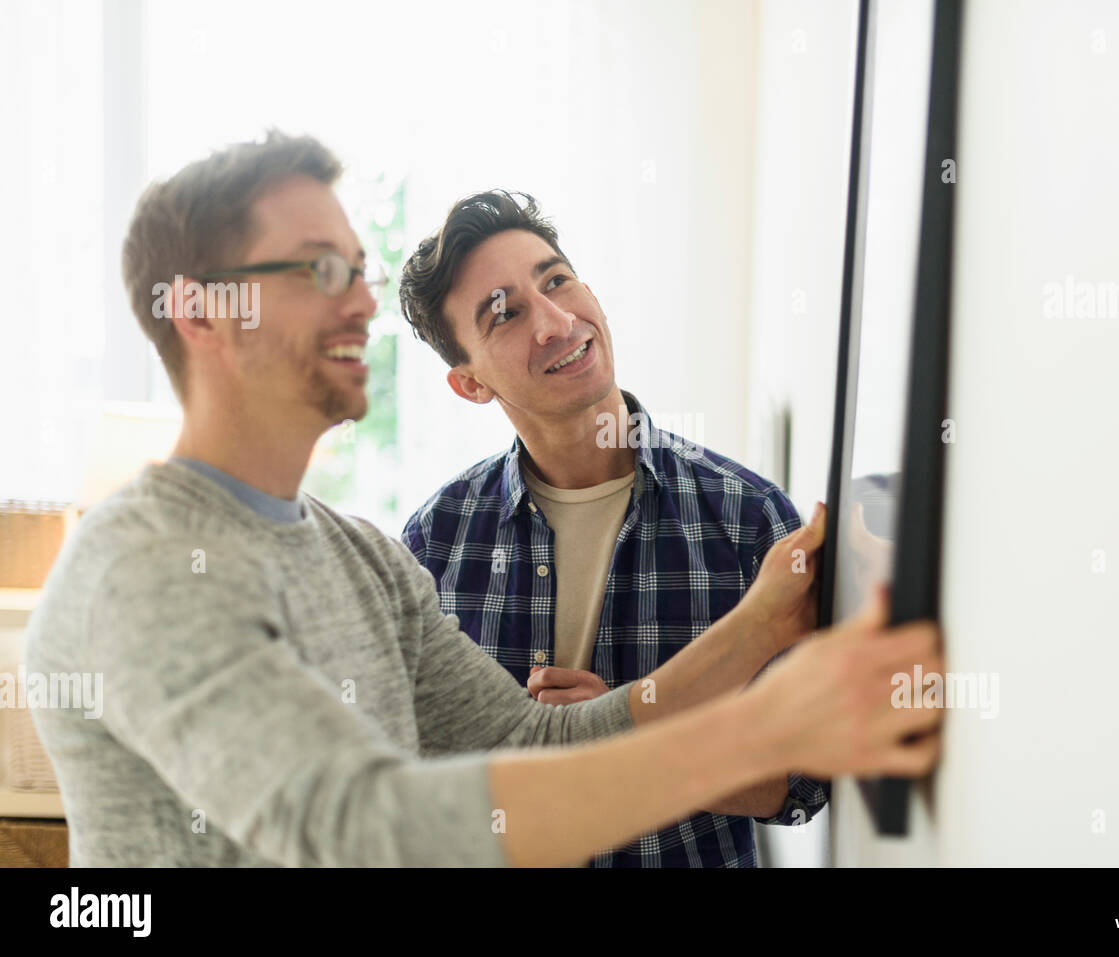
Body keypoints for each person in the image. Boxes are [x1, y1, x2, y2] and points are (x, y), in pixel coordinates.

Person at [25, 131, 942, 867]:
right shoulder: (143, 565)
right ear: (201, 313)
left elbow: (537, 742)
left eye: (358, 271)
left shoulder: (369, 561)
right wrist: (764, 720)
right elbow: (362, 826)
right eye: (316, 271)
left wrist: (761, 623)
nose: (359, 306)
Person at [398, 190, 828, 866]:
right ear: (470, 383)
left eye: (556, 280)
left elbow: (805, 776)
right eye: (504, 313)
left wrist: (632, 742)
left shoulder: (747, 519)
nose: (554, 321)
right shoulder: (433, 546)